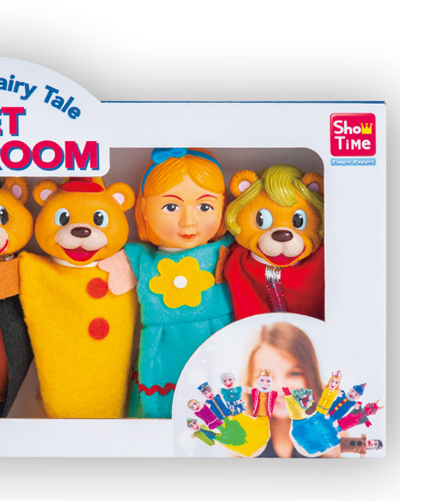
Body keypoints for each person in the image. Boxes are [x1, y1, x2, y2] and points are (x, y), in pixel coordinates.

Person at [122, 148, 234, 418]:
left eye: (205, 207)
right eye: (171, 207)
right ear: (143, 208)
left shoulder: (227, 249)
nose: (188, 221)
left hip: (219, 343)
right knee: (161, 406)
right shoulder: (139, 258)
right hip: (162, 351)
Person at [240, 322, 337, 458]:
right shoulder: (240, 440)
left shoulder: (332, 435)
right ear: (249, 382)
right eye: (265, 378)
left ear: (311, 376)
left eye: (294, 373)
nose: (280, 388)